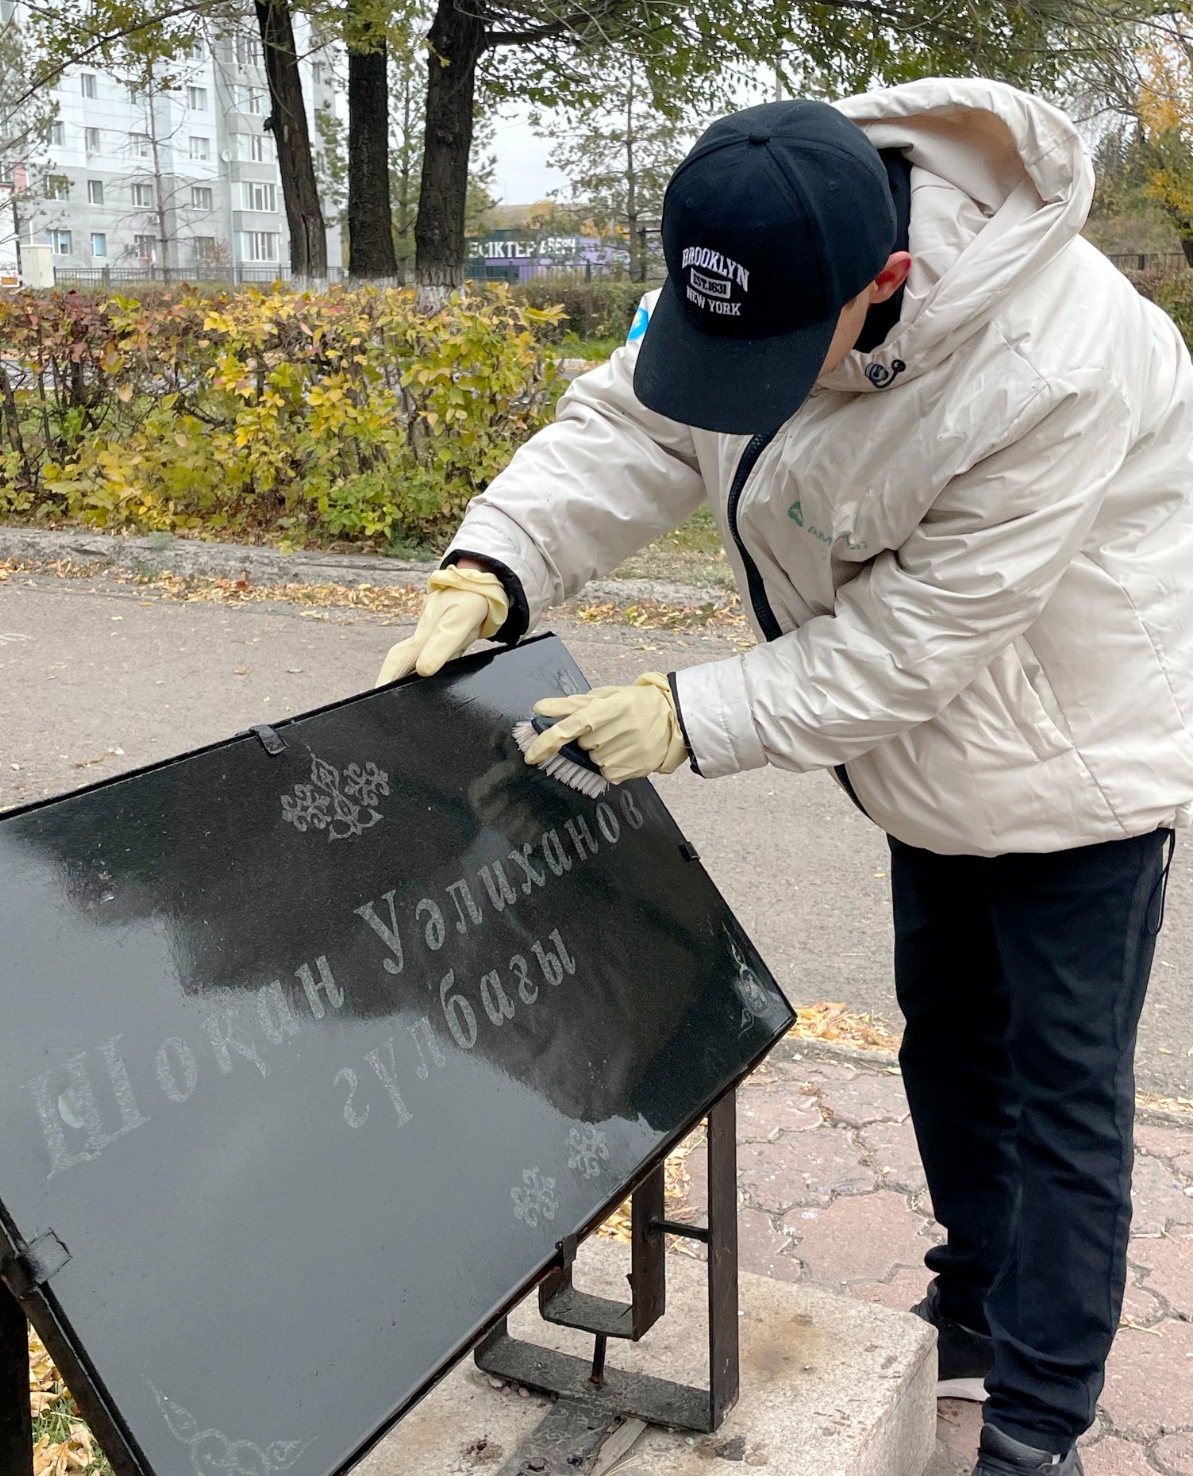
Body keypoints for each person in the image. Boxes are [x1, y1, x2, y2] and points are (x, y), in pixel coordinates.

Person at [378, 79, 1193, 1476]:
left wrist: (685, 713)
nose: (735, 382)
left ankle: (1039, 1423)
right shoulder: (754, 244)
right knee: (946, 1039)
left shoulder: (1061, 359)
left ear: (886, 285)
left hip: (1074, 760)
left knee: (1063, 1091)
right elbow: (628, 428)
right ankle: (978, 1304)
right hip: (926, 765)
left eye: (766, 357)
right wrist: (494, 562)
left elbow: (918, 641)